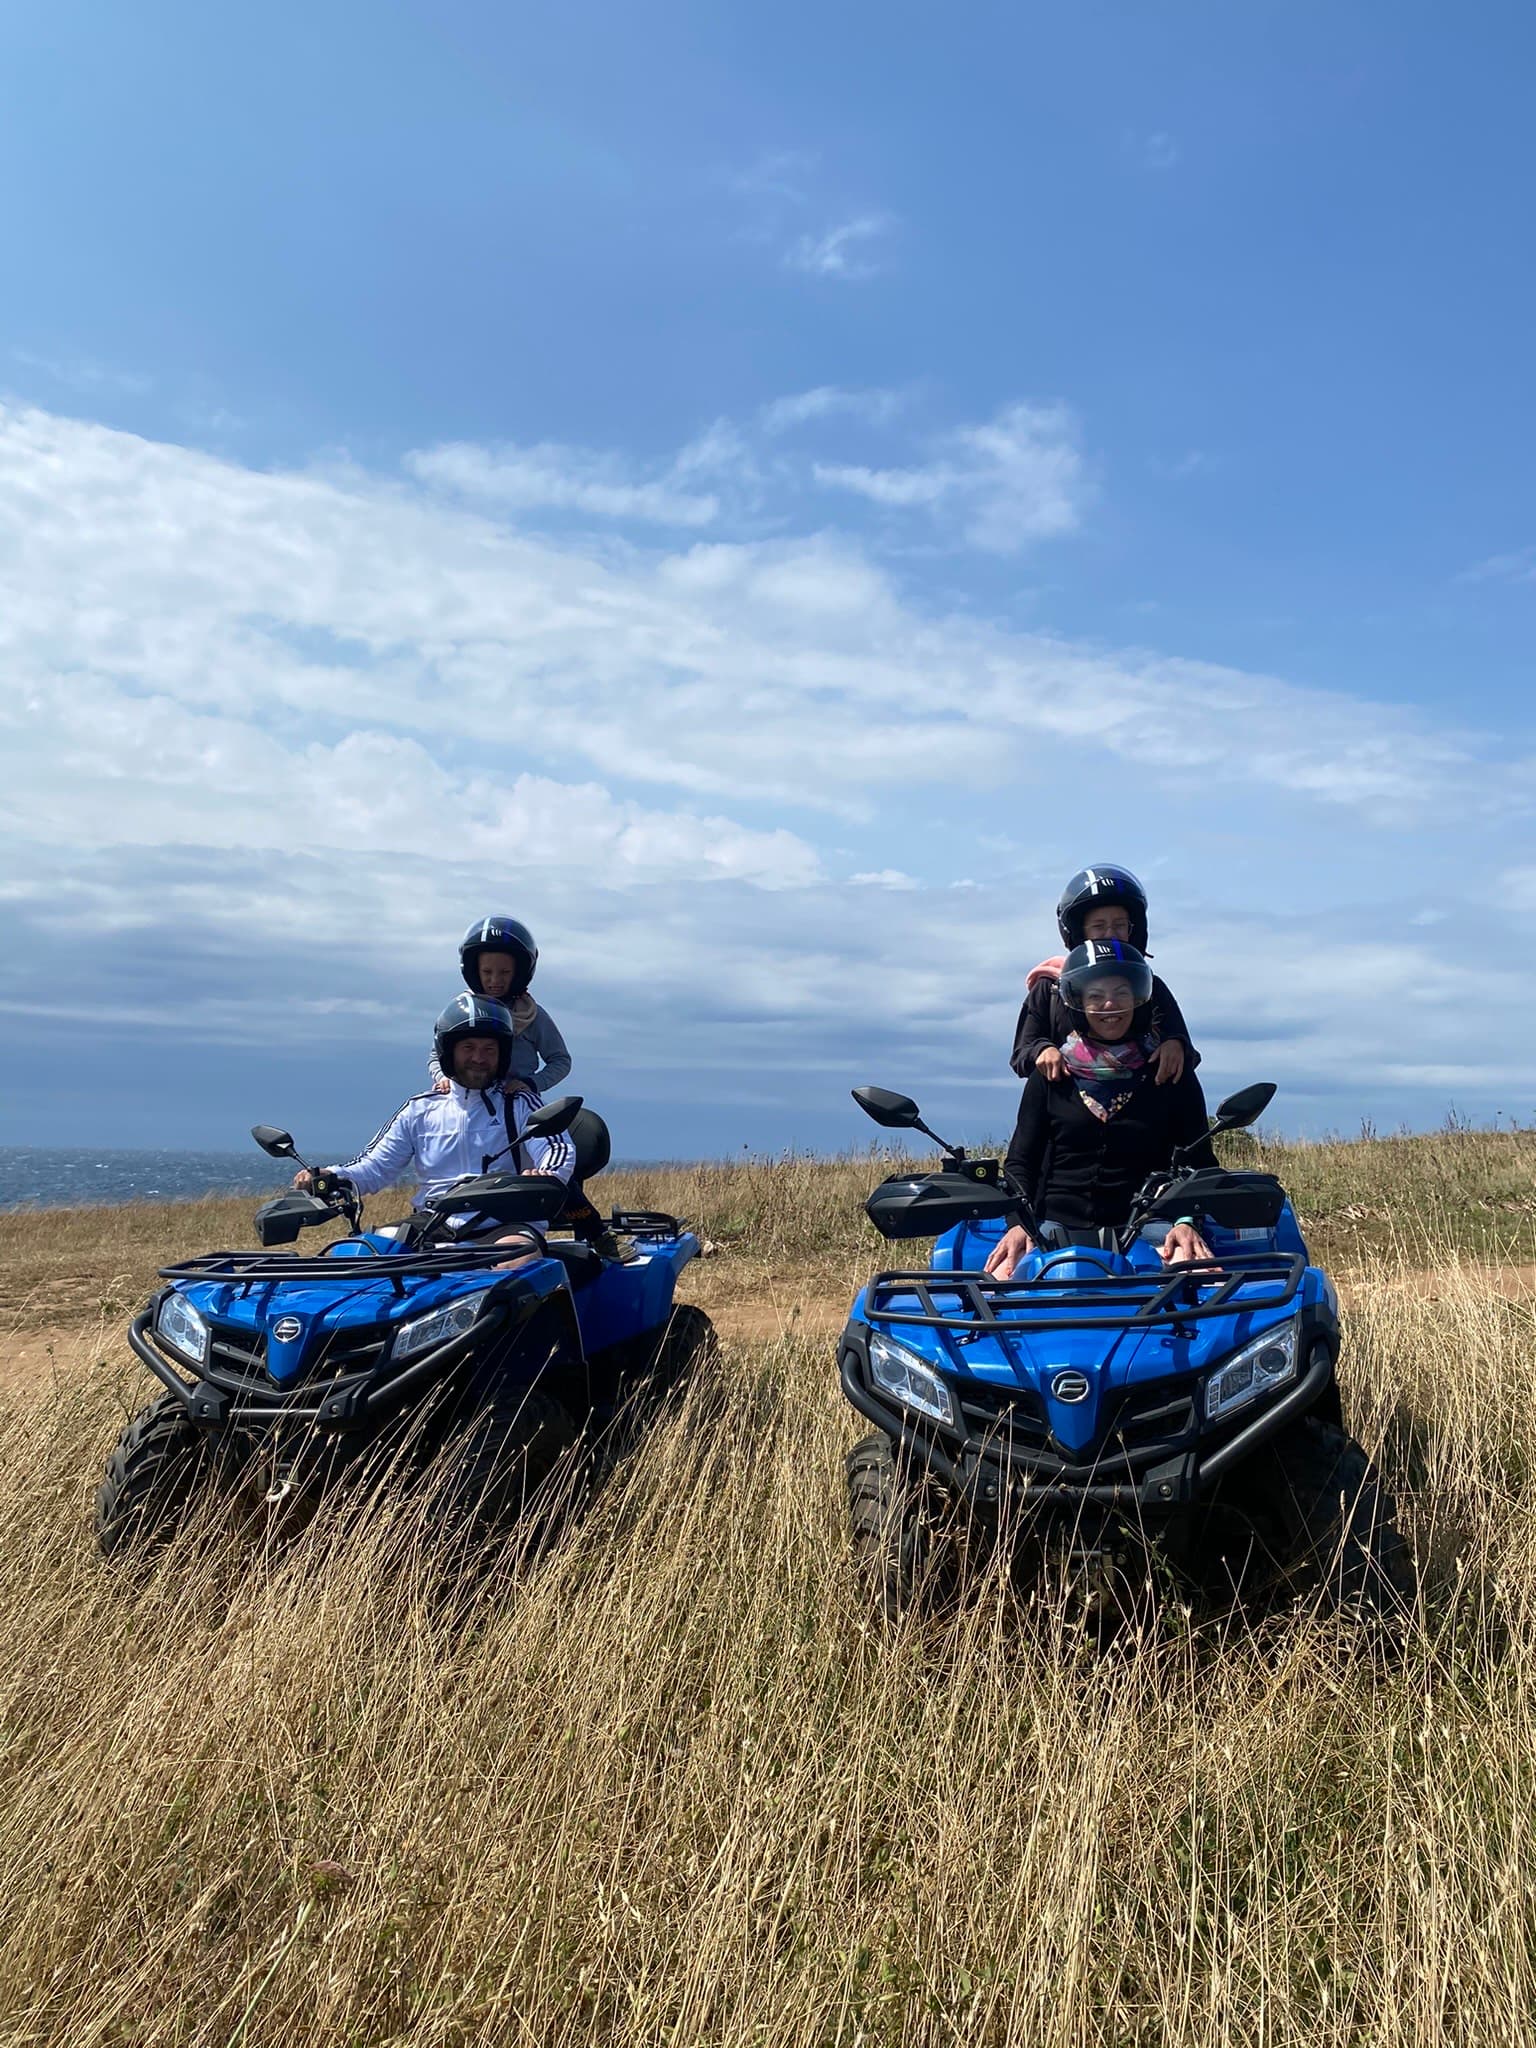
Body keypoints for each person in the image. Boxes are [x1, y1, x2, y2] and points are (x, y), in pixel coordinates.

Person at [987, 939, 1217, 1280]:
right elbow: (1022, 1160)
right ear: (1077, 1002)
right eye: (1095, 996)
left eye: (1122, 993)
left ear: (1140, 997)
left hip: (1152, 1226)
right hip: (1054, 1229)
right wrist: (1020, 1226)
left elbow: (1197, 1161)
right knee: (999, 1288)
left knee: (1203, 1284)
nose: (1110, 1005)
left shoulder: (1169, 1070)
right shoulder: (1051, 1073)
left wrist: (1185, 1221)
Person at [295, 995, 575, 1241]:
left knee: (518, 1259)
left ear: (502, 1055)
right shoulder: (419, 1110)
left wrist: (545, 1174)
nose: (479, 1058)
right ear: (448, 1051)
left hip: (505, 1224)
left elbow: (556, 1147)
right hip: (431, 1223)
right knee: (358, 1254)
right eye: (468, 1048)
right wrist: (331, 1176)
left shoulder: (519, 1102)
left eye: (489, 1049)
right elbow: (375, 1167)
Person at [1011, 864, 1197, 1086]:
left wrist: (1175, 1045)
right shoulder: (1051, 987)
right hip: (1067, 1110)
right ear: (1080, 932)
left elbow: (1186, 1048)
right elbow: (1022, 1053)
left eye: (1120, 925)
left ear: (1132, 930)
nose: (1111, 934)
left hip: (1144, 1111)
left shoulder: (1150, 986)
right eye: (1099, 926)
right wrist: (1042, 1050)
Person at [429, 916, 571, 1097]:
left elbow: (560, 1060)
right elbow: (436, 1055)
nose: (495, 980)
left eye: (505, 972)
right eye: (487, 972)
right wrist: (442, 1077)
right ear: (474, 970)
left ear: (518, 973)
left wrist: (532, 1083)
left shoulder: (531, 1015)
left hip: (515, 1103)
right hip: (464, 1105)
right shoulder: (458, 1013)